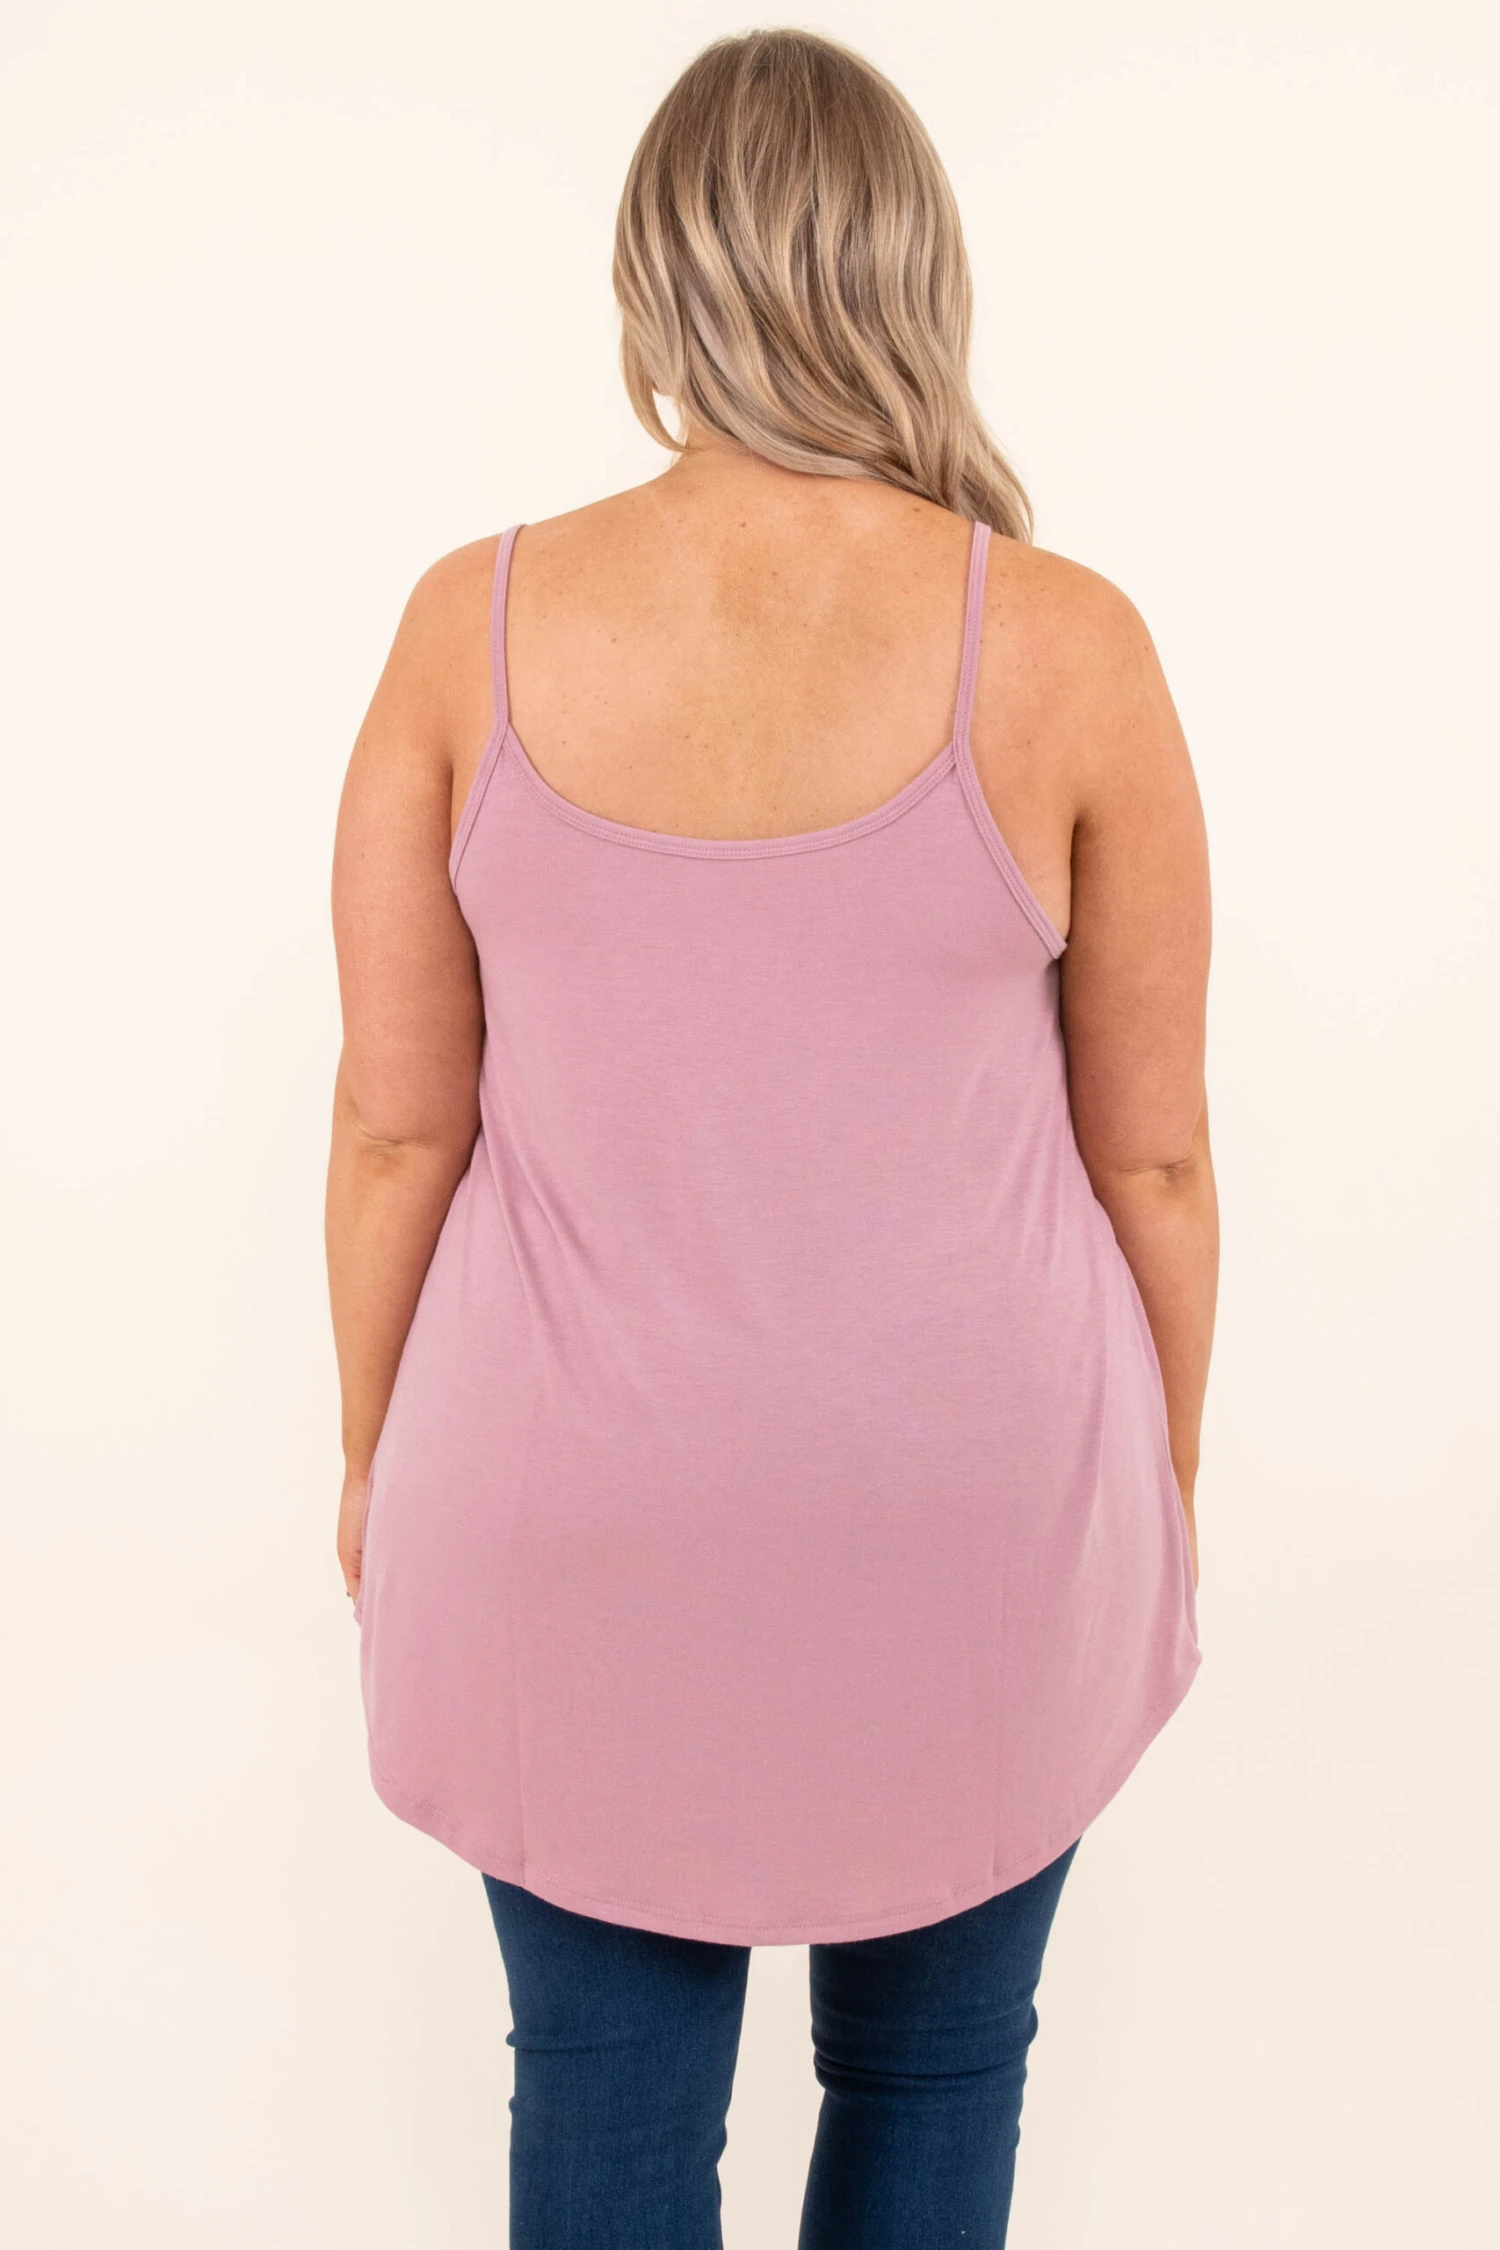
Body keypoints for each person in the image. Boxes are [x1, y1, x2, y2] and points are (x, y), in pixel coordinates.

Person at [325, 27, 1214, 2249]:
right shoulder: (1071, 648)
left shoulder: (467, 630)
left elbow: (395, 1129)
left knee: (604, 2111)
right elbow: (1156, 1163)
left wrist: (370, 1453)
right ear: (918, 273)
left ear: (656, 283)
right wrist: (1158, 1474)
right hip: (972, 1501)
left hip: (570, 1506)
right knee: (936, 2075)